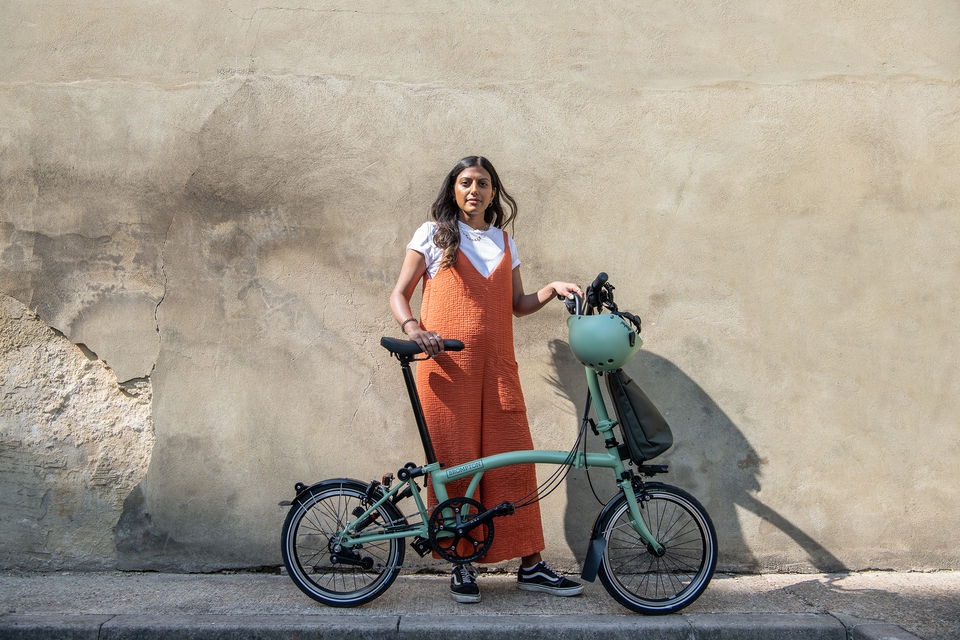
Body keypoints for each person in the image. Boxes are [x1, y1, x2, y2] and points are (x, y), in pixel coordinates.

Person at [390, 156, 584, 604]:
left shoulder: (503, 240)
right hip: (447, 369)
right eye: (465, 182)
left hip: (498, 369)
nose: (473, 190)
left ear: (494, 191)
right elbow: (399, 293)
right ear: (453, 189)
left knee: (513, 460)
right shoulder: (433, 234)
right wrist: (413, 328)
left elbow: (517, 302)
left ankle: (531, 565)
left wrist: (552, 288)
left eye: (482, 183)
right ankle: (461, 564)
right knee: (456, 463)